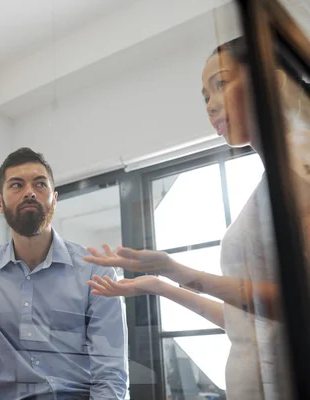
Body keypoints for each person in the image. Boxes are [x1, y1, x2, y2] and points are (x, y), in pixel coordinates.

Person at [84, 37, 310, 400]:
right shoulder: (272, 184)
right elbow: (247, 325)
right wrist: (161, 281)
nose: (210, 105)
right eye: (205, 96)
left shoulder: (302, 164)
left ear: (272, 80)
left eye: (220, 84)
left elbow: (301, 301)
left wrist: (185, 274)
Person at [0, 148, 128, 400]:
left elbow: (111, 379)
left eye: (40, 184)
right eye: (16, 185)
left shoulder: (96, 271)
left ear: (54, 198)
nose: (29, 192)